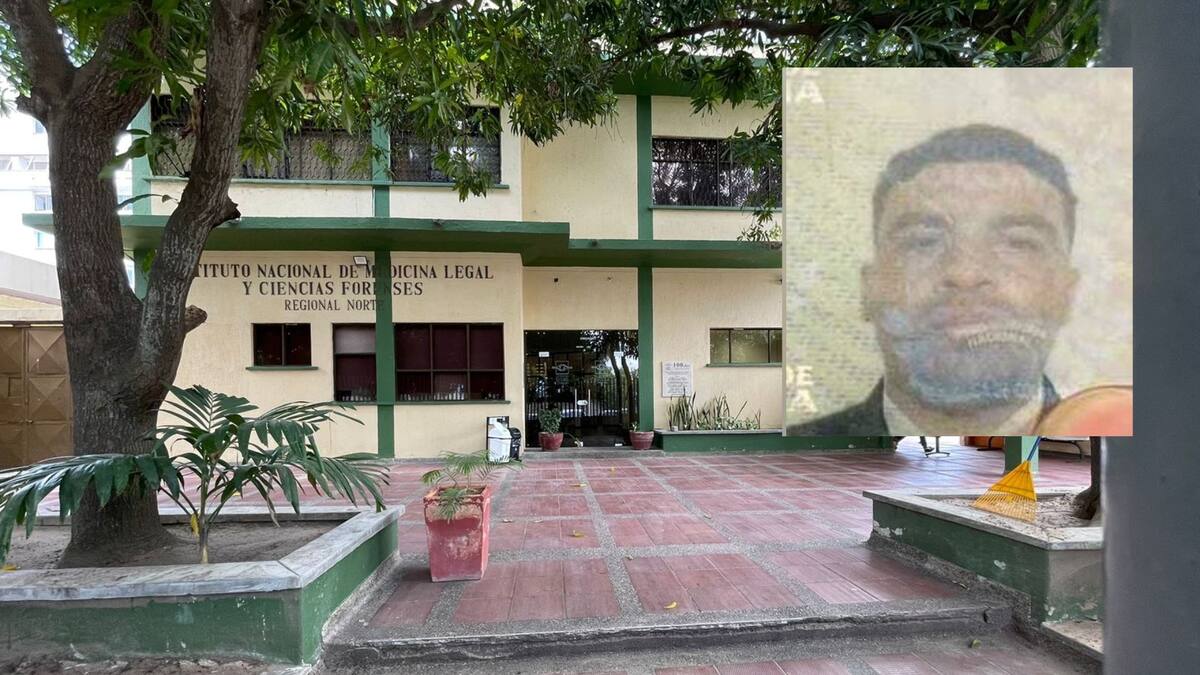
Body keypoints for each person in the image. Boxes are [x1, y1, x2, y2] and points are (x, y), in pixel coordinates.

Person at [789, 124, 1080, 436]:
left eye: (1017, 243)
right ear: (868, 288)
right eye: (923, 241)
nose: (965, 274)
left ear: (1066, 292)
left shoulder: (1115, 457)